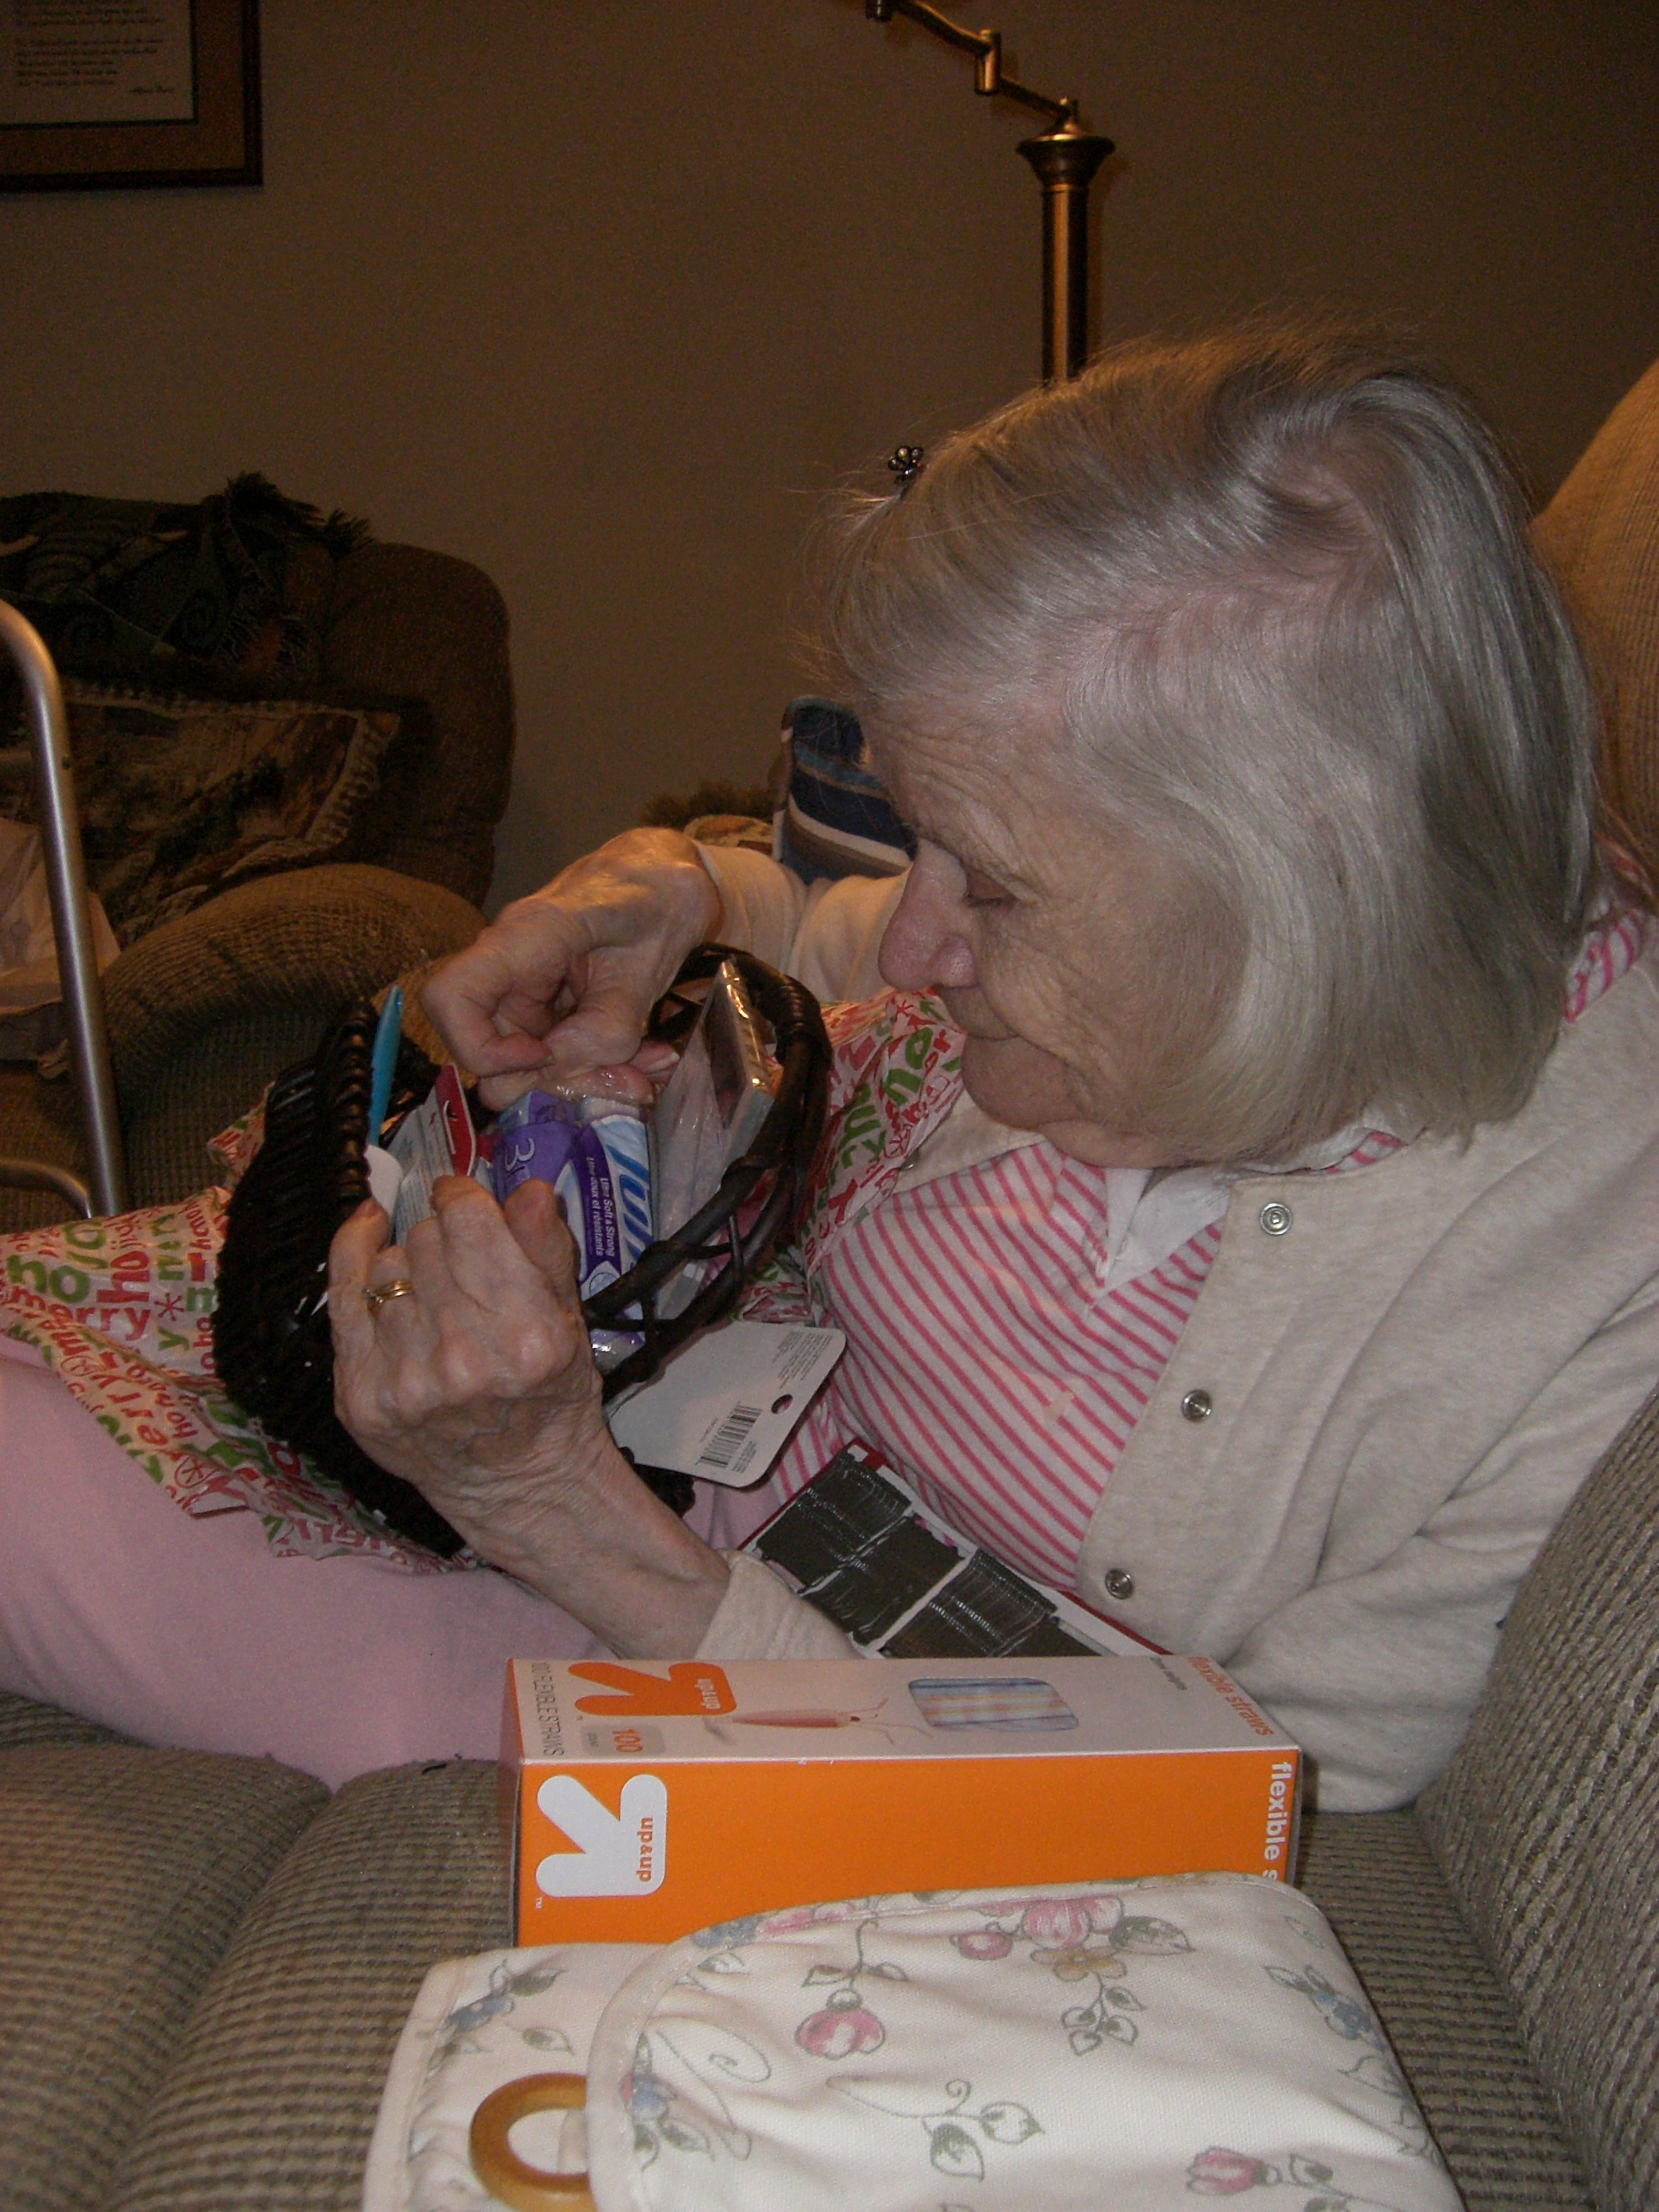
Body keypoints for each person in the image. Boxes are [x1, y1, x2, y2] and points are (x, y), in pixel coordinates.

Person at [2, 325, 1654, 1807]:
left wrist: (555, 1505)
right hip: (657, 1428)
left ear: (1312, 900)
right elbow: (845, 930)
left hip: (741, 1654)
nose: (921, 946)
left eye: (993, 887)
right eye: (920, 841)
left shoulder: (1588, 1275)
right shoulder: (1225, 931)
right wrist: (676, 890)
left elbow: (1220, 1800)